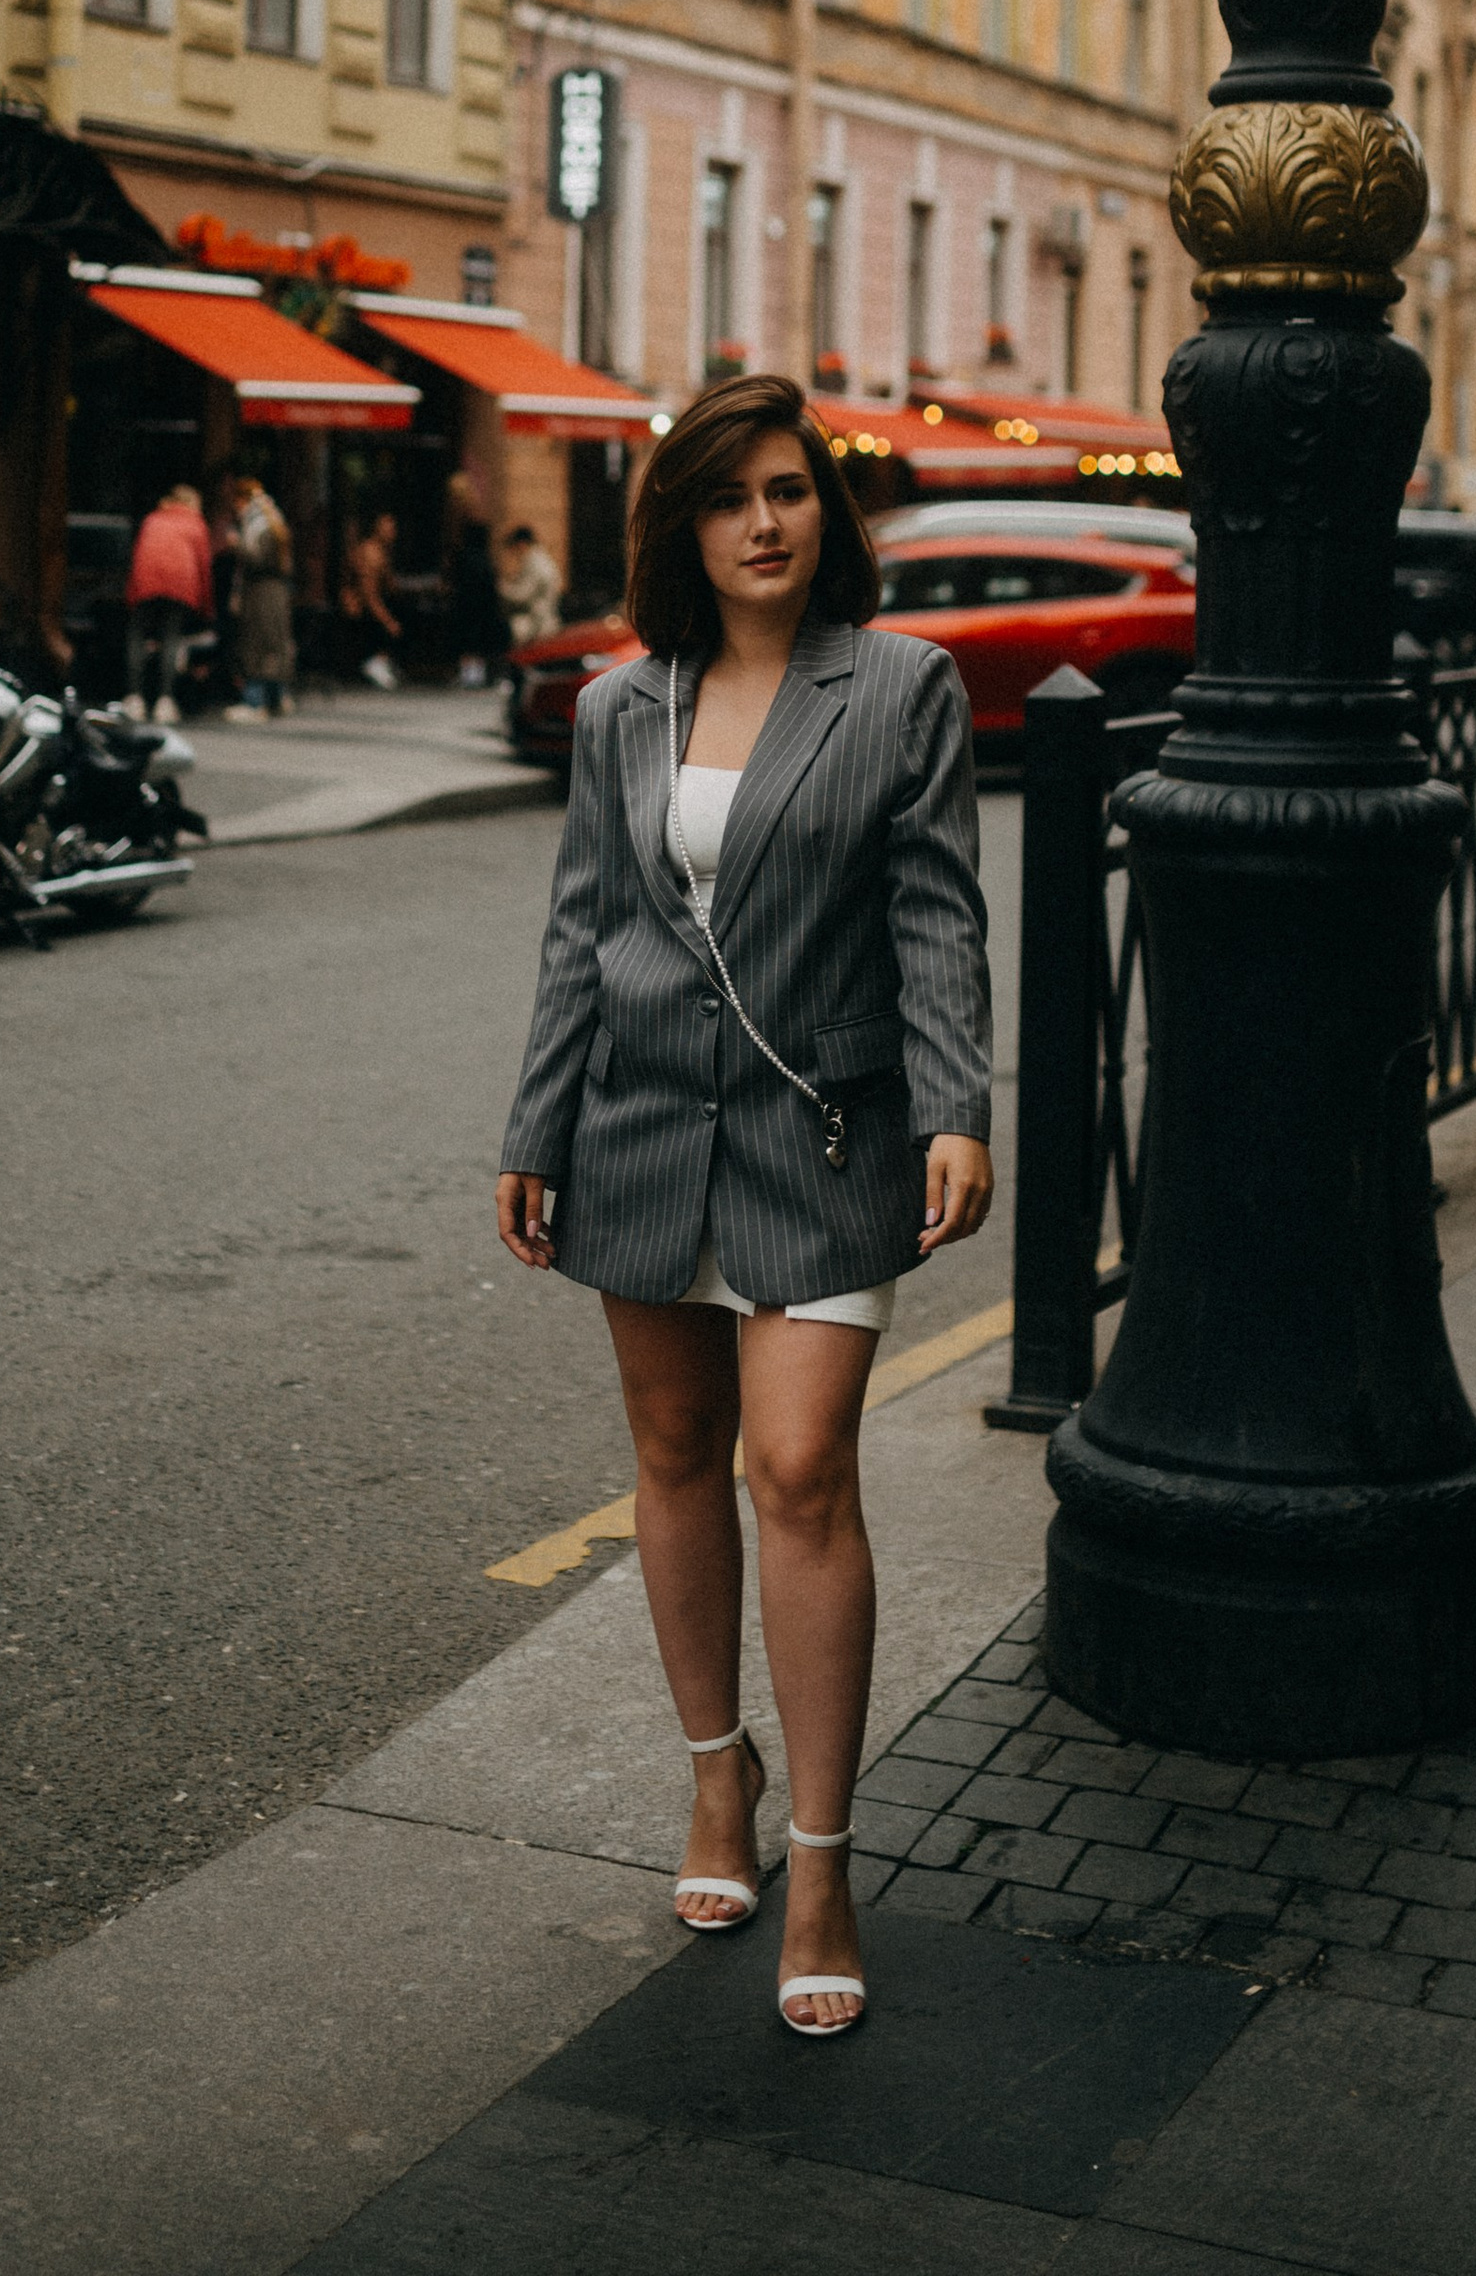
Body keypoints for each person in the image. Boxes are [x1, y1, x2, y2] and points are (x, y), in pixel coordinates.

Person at [496, 372, 992, 2040]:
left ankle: (828, 1858)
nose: (764, 522)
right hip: (638, 1128)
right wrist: (536, 1124)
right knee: (668, 1459)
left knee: (798, 1469)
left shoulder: (902, 688)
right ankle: (721, 1776)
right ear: (683, 531)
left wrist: (955, 1108)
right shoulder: (626, 709)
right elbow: (583, 929)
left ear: (821, 513)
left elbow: (936, 912)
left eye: (787, 490)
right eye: (729, 498)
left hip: (825, 1137)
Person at [122, 482, 212, 720]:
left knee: (137, 637)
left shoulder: (152, 520)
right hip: (180, 585)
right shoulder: (196, 524)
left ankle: (135, 698)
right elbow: (204, 567)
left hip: (146, 583)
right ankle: (165, 699)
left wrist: (131, 594)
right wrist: (207, 607)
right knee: (171, 638)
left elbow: (138, 557)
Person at [228, 478, 295, 719]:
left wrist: (237, 545)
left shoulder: (259, 524)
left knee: (257, 643)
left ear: (242, 500)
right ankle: (277, 697)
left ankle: (255, 702)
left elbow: (257, 559)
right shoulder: (273, 519)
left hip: (261, 592)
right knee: (275, 642)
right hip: (275, 591)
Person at [444, 466, 504, 689]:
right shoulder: (477, 510)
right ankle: (475, 671)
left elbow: (457, 546)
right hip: (481, 570)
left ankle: (470, 671)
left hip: (470, 572)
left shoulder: (459, 514)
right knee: (478, 619)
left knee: (467, 619)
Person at [337, 509, 403, 690]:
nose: (392, 532)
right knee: (392, 618)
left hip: (371, 604)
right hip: (360, 607)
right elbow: (369, 596)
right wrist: (388, 622)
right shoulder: (371, 553)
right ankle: (377, 660)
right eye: (387, 527)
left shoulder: (384, 553)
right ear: (376, 528)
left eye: (393, 527)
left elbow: (391, 586)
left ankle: (383, 659)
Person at [497, 522, 563, 651]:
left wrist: (499, 587)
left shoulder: (534, 563)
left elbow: (522, 595)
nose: (514, 553)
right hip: (543, 621)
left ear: (521, 544)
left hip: (536, 625)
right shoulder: (541, 559)